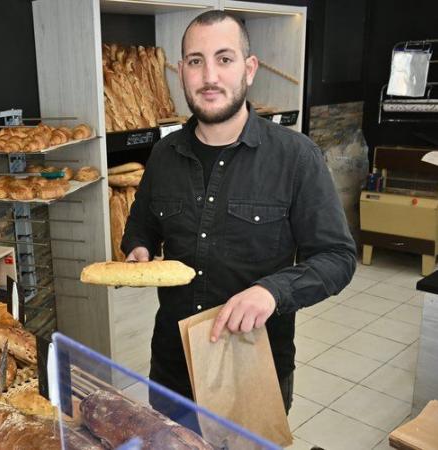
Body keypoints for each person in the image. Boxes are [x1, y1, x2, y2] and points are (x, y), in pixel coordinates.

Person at [121, 10, 356, 425]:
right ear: (181, 72)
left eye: (224, 59)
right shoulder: (164, 154)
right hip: (173, 366)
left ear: (249, 69)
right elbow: (142, 223)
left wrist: (271, 292)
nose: (209, 75)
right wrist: (138, 247)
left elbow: (337, 257)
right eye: (196, 61)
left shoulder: (296, 157)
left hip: (255, 364)